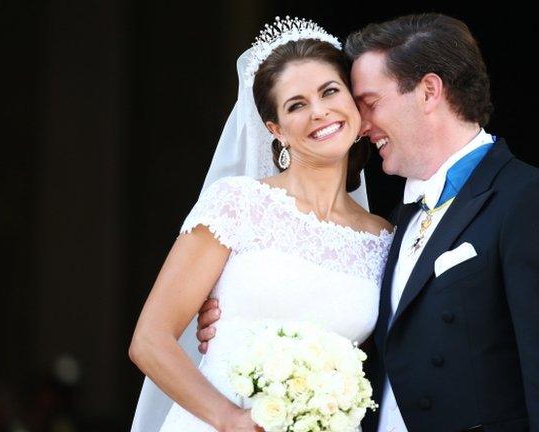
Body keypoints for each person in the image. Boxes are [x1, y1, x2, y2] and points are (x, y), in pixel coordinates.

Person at [198, 13, 539, 431]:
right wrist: (240, 322)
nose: (362, 125)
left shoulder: (526, 201)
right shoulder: (393, 225)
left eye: (370, 103)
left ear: (428, 91)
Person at [128, 17, 393, 432]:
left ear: (354, 103)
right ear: (276, 130)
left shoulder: (385, 238)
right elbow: (150, 341)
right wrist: (230, 420)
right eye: (296, 104)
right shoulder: (239, 203)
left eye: (329, 91)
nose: (319, 111)